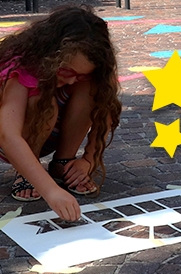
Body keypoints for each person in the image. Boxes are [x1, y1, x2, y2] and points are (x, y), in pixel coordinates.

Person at [0, 4, 122, 221]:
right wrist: (50, 191)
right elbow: (8, 136)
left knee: (96, 89)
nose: (72, 80)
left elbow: (106, 111)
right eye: (66, 71)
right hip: (12, 140)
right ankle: (29, 169)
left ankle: (63, 163)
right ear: (50, 56)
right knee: (42, 100)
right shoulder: (23, 67)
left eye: (80, 75)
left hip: (52, 133)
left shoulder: (89, 75)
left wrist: (89, 161)